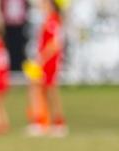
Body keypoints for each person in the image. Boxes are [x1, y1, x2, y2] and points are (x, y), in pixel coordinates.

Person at [25, 0, 67, 137]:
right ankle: (43, 121)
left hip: (49, 63)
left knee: (50, 92)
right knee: (41, 91)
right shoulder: (49, 20)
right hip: (45, 62)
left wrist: (41, 59)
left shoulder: (53, 21)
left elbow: (54, 44)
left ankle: (57, 123)